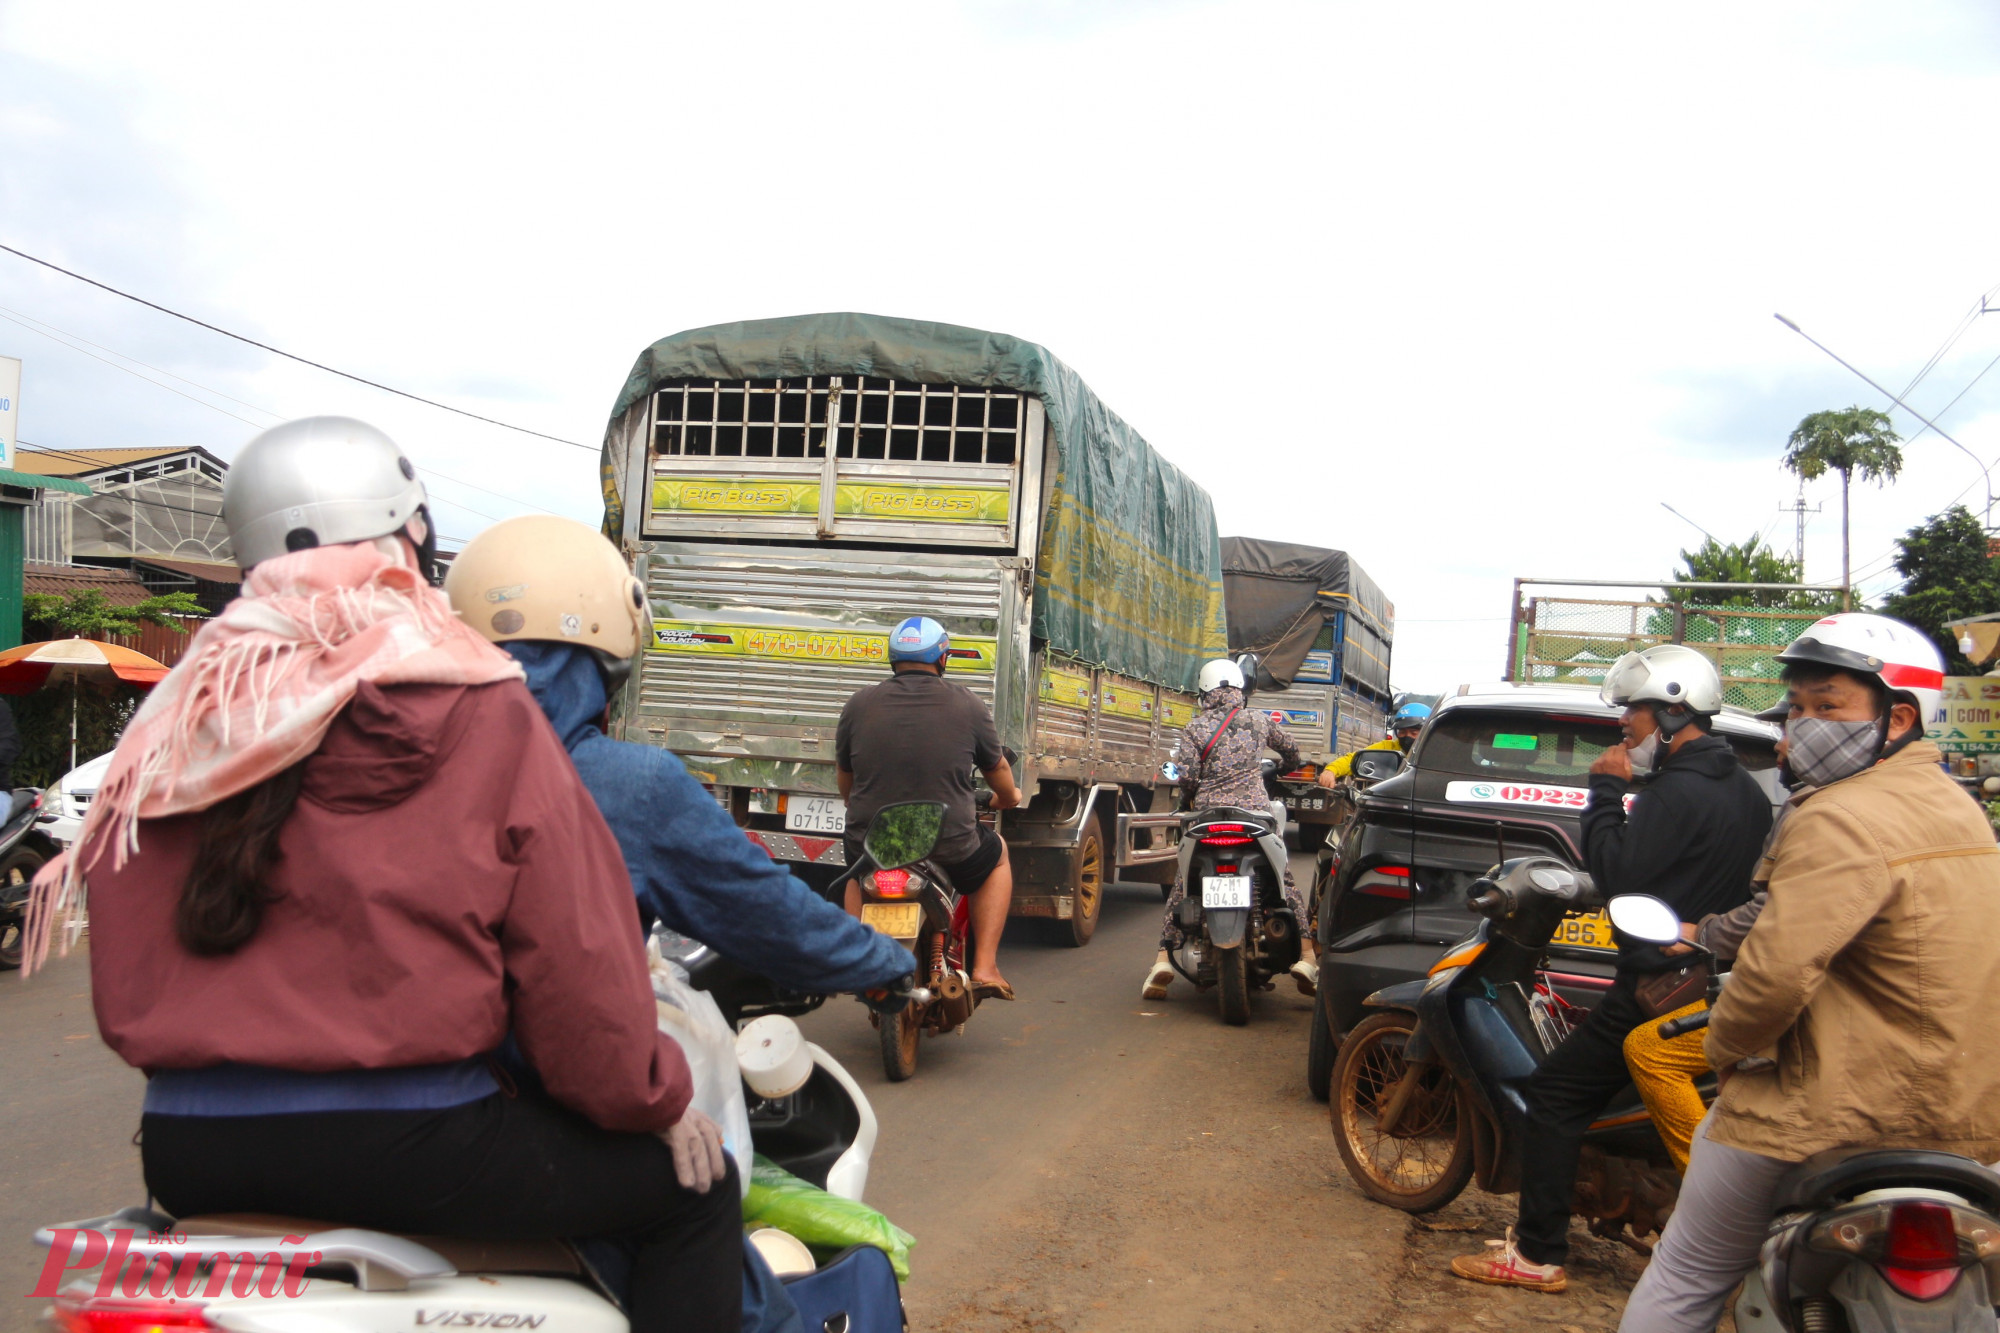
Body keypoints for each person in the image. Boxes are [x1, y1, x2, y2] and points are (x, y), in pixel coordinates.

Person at [29, 418, 743, 1333]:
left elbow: (125, 962)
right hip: (420, 1143)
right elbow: (578, 972)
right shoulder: (479, 700)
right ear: (408, 540)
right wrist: (656, 1100)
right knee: (697, 1189)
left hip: (188, 1149)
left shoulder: (177, 713)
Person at [445, 515, 922, 1333]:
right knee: (700, 1199)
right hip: (508, 1121)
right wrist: (882, 958)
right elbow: (765, 912)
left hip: (300, 1133)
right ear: (611, 660)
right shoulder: (626, 784)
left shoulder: (388, 765)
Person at [1619, 613, 2000, 1333]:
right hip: (1969, 1112)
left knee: (1688, 1270)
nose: (1802, 722)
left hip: (1830, 1113)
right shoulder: (1963, 809)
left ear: (1899, 717)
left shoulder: (1837, 816)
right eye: (1798, 706)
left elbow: (1772, 977)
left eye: (1829, 705)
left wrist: (1724, 1053)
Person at [1452, 643, 1769, 1294]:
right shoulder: (1745, 791)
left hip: (1654, 984)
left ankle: (1537, 1253)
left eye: (1637, 711)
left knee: (1554, 1095)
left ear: (1677, 712)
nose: (1625, 723)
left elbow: (1620, 877)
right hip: (1714, 981)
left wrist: (1602, 790)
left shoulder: (1673, 792)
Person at [1619, 697, 1795, 1174]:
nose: (1783, 745)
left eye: (1798, 721)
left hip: (1775, 994)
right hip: (1732, 974)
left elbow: (1780, 911)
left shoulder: (1832, 815)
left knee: (1649, 1051)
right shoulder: (1768, 797)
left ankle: (1697, 1189)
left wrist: (1602, 794)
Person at [836, 615, 1021, 1000]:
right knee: (998, 855)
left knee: (857, 869)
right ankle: (985, 967)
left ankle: (858, 964)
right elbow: (997, 767)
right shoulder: (967, 703)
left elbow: (845, 776)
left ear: (893, 659)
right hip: (947, 840)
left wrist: (858, 809)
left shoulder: (859, 703)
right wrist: (1010, 797)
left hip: (876, 836)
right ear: (943, 658)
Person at [1141, 657, 1313, 1000]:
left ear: (1204, 691)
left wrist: (1190, 798)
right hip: (1254, 816)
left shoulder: (1195, 728)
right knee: (1284, 879)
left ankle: (1162, 958)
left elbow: (1186, 776)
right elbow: (1293, 752)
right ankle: (1307, 956)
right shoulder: (1258, 721)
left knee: (1184, 881)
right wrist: (1283, 767)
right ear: (1240, 689)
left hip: (1207, 818)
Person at [1316, 700, 1429, 786]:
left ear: (1427, 731)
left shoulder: (1436, 752)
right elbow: (1354, 759)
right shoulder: (1389, 748)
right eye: (1402, 732)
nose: (1407, 737)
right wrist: (1331, 770)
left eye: (1413, 732)